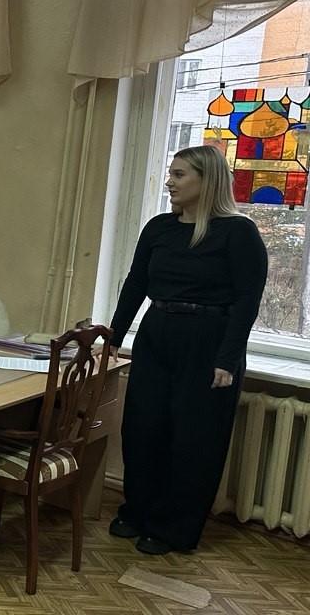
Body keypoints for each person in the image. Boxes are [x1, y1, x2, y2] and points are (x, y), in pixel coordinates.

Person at [106, 145, 267, 556]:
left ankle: (172, 529)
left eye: (179, 175)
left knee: (193, 439)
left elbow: (247, 301)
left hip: (209, 342)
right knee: (143, 429)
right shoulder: (159, 228)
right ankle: (137, 511)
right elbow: (135, 284)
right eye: (170, 174)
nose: (169, 182)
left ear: (206, 180)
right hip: (157, 334)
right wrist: (113, 338)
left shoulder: (238, 233)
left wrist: (227, 358)